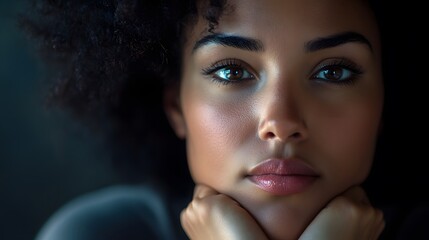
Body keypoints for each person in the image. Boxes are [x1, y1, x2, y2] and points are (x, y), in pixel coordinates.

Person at [21, 0, 428, 239]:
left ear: (384, 101)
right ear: (175, 106)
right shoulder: (99, 233)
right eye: (233, 71)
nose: (281, 121)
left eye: (333, 72)